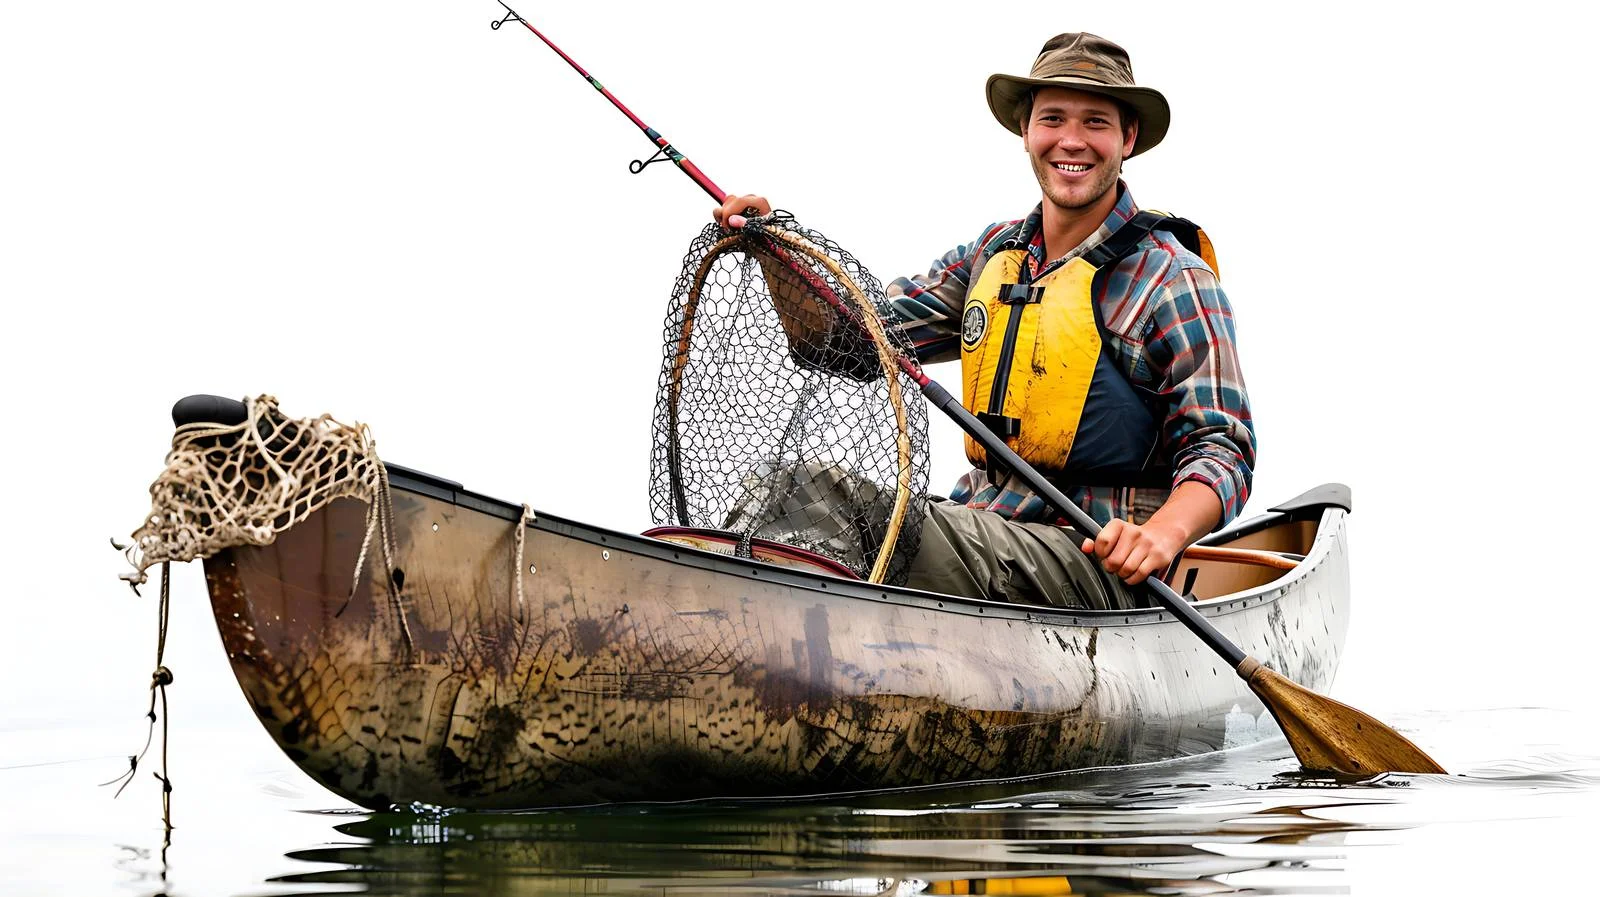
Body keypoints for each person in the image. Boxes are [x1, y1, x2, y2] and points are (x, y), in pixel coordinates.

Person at [713, 33, 1255, 610]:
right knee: (788, 491)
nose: (1071, 141)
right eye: (1053, 119)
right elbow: (844, 341)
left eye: (1096, 122)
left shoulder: (1173, 277)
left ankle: (751, 629)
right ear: (1026, 132)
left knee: (807, 489)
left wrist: (1159, 536)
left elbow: (1222, 447)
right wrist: (774, 257)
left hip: (1094, 565)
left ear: (1127, 138)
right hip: (984, 530)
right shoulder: (992, 256)